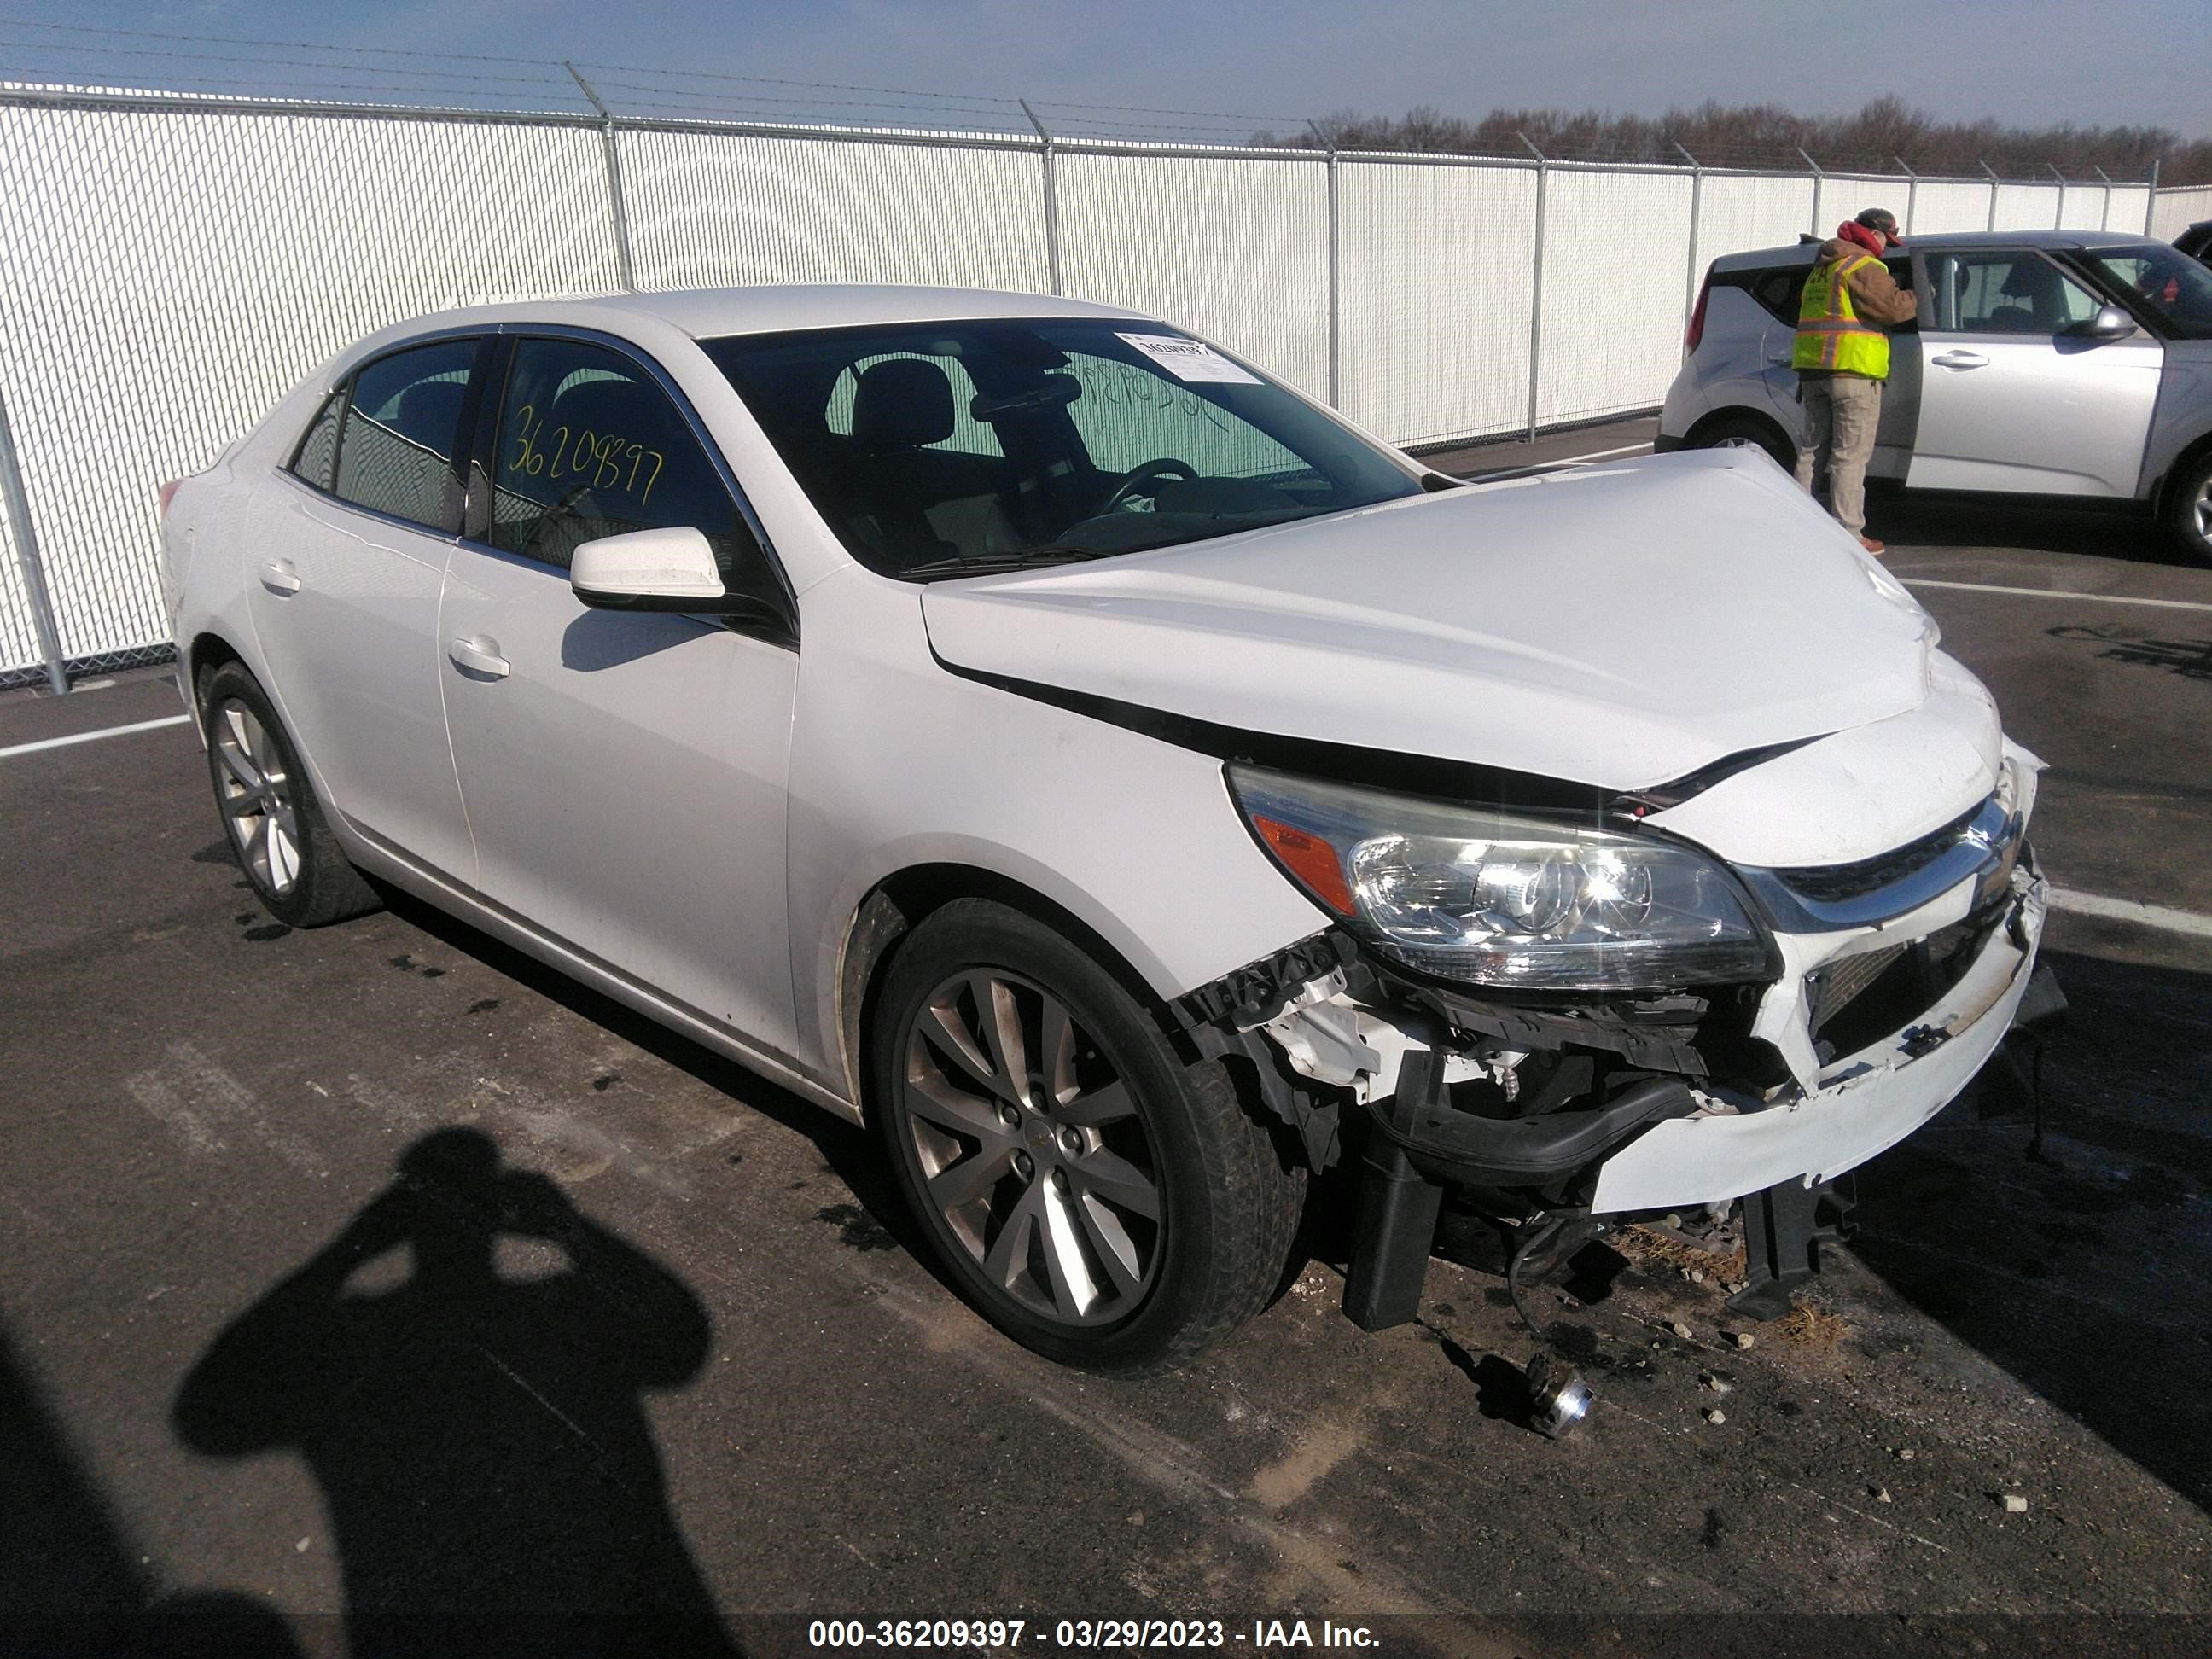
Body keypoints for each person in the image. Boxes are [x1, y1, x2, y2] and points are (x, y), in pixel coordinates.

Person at [1792, 207, 1917, 554]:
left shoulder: (1822, 268)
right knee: (1850, 456)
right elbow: (1894, 309)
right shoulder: (1864, 266)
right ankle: (1849, 531)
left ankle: (1793, 521)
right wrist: (1921, 294)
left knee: (1812, 452)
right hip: (1853, 373)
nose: (1886, 247)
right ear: (1875, 234)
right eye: (1886, 239)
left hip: (1814, 370)